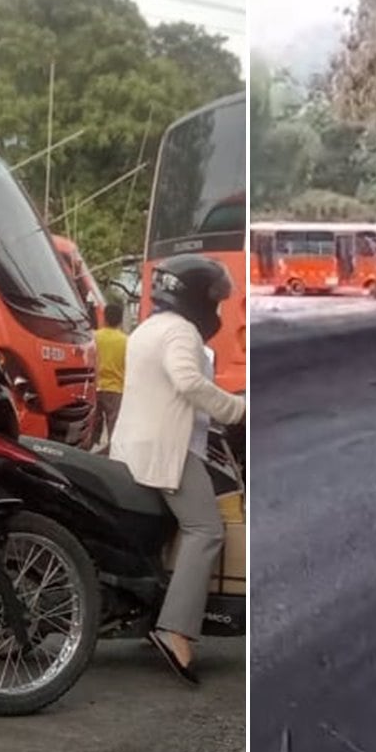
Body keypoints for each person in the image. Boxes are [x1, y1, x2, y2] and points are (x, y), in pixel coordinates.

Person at [108, 255, 246, 685]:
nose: (219, 312)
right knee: (207, 530)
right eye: (216, 302)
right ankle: (175, 630)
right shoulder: (182, 332)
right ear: (196, 297)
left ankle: (158, 614)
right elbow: (186, 381)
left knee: (171, 532)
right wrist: (238, 409)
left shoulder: (148, 327)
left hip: (134, 446)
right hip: (168, 451)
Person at [93, 301, 128, 449]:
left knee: (93, 426)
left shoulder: (94, 337)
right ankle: (111, 455)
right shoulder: (126, 341)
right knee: (114, 429)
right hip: (116, 390)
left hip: (95, 388)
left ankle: (88, 454)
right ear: (120, 320)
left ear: (104, 318)